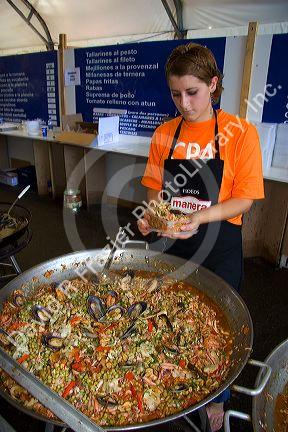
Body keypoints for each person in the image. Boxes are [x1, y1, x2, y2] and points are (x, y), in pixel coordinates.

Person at [137, 43, 264, 432]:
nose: (184, 104)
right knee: (171, 315)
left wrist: (199, 216)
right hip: (173, 241)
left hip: (220, 243)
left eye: (192, 92)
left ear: (214, 84)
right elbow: (155, 188)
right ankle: (165, 377)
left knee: (218, 325)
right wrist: (153, 215)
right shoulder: (164, 133)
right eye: (176, 94)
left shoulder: (240, 133)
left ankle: (216, 400)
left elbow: (244, 198)